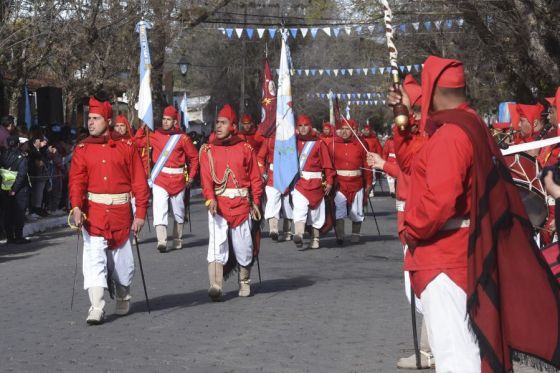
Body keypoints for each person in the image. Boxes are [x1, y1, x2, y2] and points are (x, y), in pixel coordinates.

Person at [391, 56, 560, 372]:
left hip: (446, 257)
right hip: (460, 254)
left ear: (430, 92)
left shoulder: (452, 135)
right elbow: (415, 163)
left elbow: (438, 203)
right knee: (466, 352)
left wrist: (410, 229)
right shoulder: (468, 125)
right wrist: (402, 119)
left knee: (457, 358)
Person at [368, 74, 434, 369]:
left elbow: (412, 170)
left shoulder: (428, 137)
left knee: (424, 287)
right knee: (418, 288)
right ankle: (428, 346)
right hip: (406, 213)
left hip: (420, 218)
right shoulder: (413, 135)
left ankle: (429, 349)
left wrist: (384, 165)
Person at [69, 96, 149, 325]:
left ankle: (123, 292)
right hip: (93, 214)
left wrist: (141, 213)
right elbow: (76, 181)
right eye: (89, 119)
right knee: (93, 261)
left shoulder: (127, 147)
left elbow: (139, 183)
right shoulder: (83, 149)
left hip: (121, 213)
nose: (90, 123)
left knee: (122, 264)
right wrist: (76, 206)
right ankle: (96, 306)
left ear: (107, 120)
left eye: (95, 118)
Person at [200, 104, 263, 301]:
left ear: (233, 126)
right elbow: (206, 180)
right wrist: (210, 199)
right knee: (216, 246)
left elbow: (255, 178)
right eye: (217, 122)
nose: (218, 126)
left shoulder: (245, 148)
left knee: (243, 246)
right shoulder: (207, 151)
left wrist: (256, 202)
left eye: (223, 123)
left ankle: (244, 281)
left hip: (242, 205)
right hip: (218, 207)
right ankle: (216, 285)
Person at [134, 106, 199, 252]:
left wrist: (192, 176)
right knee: (159, 208)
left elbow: (194, 157)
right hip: (160, 178)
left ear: (175, 122)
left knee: (178, 211)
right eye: (164, 119)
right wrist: (142, 128)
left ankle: (177, 238)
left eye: (168, 120)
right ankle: (161, 241)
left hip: (178, 179)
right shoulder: (155, 134)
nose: (165, 122)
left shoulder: (183, 138)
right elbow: (137, 143)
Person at [291, 114, 335, 249]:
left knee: (316, 214)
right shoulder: (293, 142)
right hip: (300, 183)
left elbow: (327, 164)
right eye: (300, 126)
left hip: (316, 183)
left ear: (310, 127)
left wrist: (329, 182)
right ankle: (298, 234)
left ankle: (315, 238)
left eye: (305, 126)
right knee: (299, 207)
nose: (303, 129)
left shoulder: (319, 143)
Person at [330, 119, 373, 245]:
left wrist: (369, 183)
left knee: (357, 210)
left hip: (357, 183)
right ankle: (340, 235)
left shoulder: (361, 144)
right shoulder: (333, 144)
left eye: (347, 129)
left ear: (353, 130)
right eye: (342, 129)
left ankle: (355, 234)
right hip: (340, 184)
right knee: (339, 208)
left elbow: (367, 165)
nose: (344, 131)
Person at [257, 134, 294, 242]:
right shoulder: (268, 139)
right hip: (272, 174)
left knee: (287, 203)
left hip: (288, 173)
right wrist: (263, 172)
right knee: (272, 201)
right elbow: (260, 157)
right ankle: (273, 229)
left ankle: (287, 231)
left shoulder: (290, 137)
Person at [0, 136, 30, 244]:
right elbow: (21, 175)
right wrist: (14, 189)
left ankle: (9, 236)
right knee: (19, 213)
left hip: (5, 186)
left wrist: (7, 186)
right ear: (18, 144)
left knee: (8, 213)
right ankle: (18, 236)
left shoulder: (3, 155)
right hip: (19, 190)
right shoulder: (21, 157)